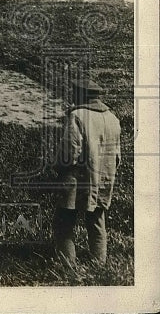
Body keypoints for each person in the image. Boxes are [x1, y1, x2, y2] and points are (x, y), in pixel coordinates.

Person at [52, 76, 122, 267]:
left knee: (64, 221)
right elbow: (117, 156)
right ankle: (99, 265)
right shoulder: (113, 118)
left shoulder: (78, 116)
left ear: (80, 95)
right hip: (102, 179)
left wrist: (58, 167)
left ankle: (67, 266)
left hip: (76, 178)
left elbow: (70, 151)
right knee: (97, 221)